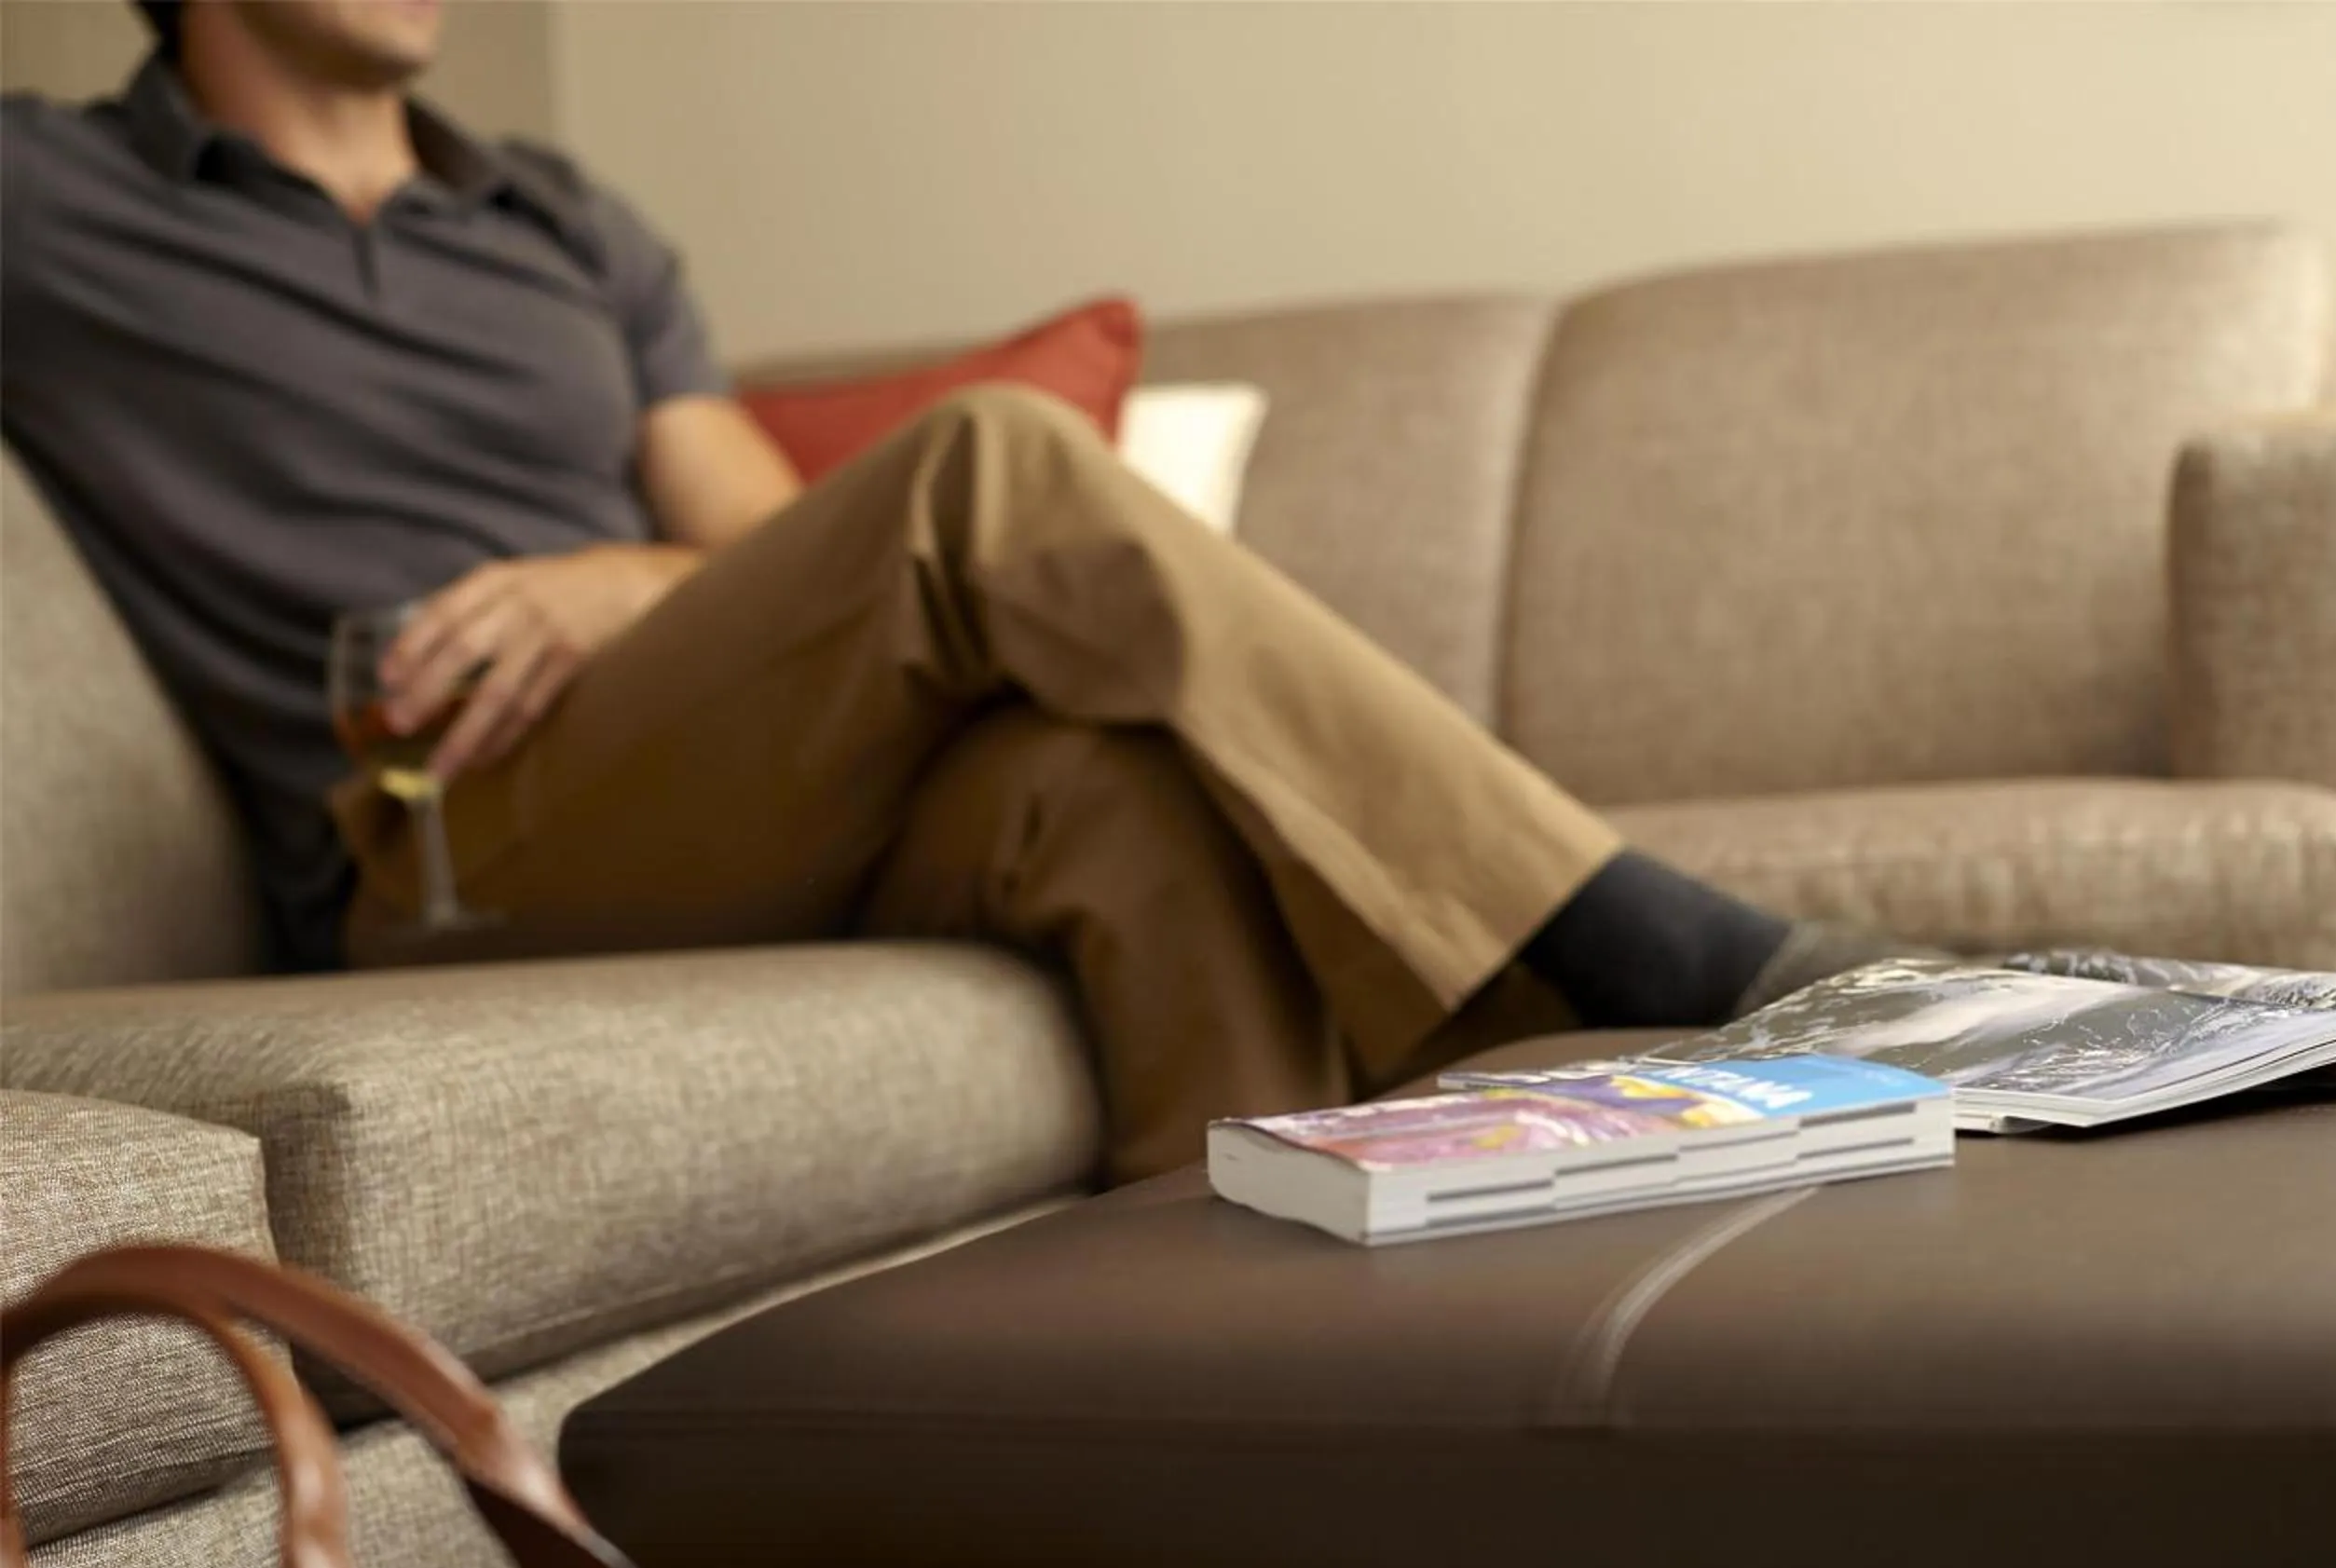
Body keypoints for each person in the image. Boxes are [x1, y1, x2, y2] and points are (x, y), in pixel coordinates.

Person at [1, 0, 1912, 1181]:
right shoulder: (51, 197)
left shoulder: (565, 223)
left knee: (1111, 791)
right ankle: (1636, 946)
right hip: (418, 834)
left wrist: (617, 587)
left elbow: (755, 547)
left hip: (672, 762)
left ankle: (1255, 1359)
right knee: (992, 459)